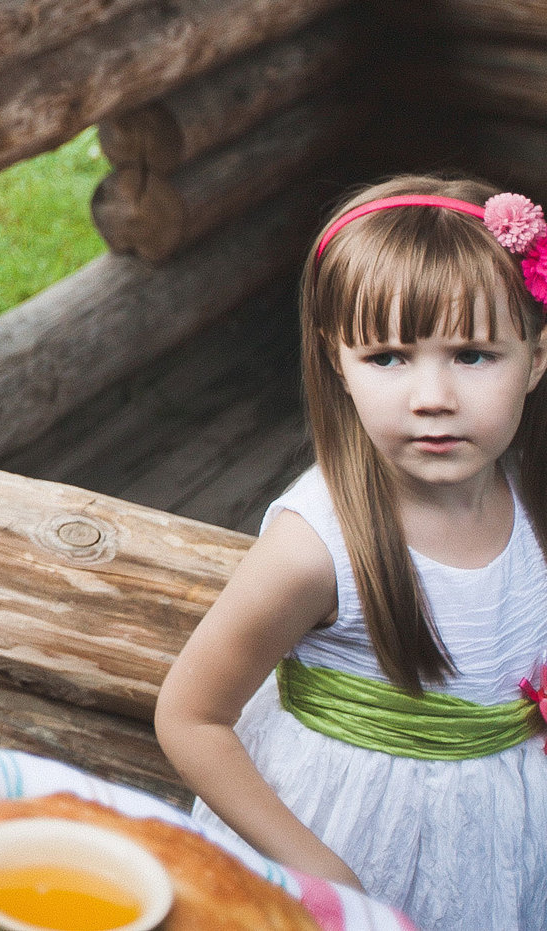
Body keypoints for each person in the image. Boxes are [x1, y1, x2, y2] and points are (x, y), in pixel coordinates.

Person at [157, 175, 547, 931]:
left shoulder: (529, 496)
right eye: (389, 357)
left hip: (496, 834)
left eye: (472, 355)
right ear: (338, 361)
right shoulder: (315, 547)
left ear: (534, 359)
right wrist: (319, 870)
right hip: (351, 832)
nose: (432, 394)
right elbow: (190, 714)